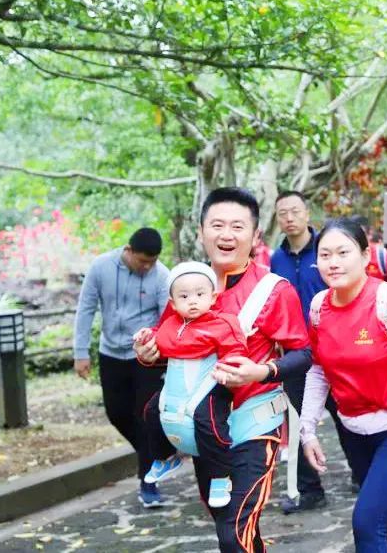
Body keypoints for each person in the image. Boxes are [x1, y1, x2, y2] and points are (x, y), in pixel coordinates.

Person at [135, 187, 311, 552]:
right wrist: (148, 353)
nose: (226, 235)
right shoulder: (185, 289)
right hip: (202, 429)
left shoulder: (274, 290)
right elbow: (172, 345)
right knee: (232, 530)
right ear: (201, 231)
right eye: (217, 225)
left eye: (237, 226)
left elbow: (304, 353)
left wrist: (261, 372)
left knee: (234, 532)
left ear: (255, 235)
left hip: (254, 424)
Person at [300, 218, 387, 552]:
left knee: (367, 522)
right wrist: (307, 430)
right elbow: (318, 371)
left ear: (365, 256)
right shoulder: (318, 307)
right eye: (325, 255)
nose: (333, 262)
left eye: (343, 252)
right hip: (354, 432)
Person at [73, 227, 171, 507]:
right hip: (110, 353)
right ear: (128, 251)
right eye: (143, 261)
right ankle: (153, 453)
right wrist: (81, 352)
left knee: (145, 416)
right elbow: (86, 309)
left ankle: (148, 482)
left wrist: (165, 355)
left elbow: (166, 319)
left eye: (152, 262)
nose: (147, 267)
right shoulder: (100, 267)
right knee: (116, 412)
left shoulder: (161, 276)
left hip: (146, 356)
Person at [137, 263, 246, 508]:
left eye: (200, 294)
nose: (193, 301)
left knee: (209, 423)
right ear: (173, 303)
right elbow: (157, 341)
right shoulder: (172, 324)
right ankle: (164, 458)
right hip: (178, 386)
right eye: (184, 297)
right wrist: (145, 338)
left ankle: (221, 477)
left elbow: (235, 348)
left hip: (211, 384)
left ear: (213, 297)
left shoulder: (222, 323)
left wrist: (228, 368)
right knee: (152, 411)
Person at [269, 190, 331, 513]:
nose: (290, 218)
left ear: (307, 213)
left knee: (348, 415)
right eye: (283, 213)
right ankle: (309, 490)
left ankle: (365, 475)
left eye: (295, 211)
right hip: (295, 353)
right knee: (296, 421)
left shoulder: (326, 250)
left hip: (333, 349)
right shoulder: (275, 260)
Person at [354, 215, 387, 283]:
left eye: (360, 234)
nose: (357, 239)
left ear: (369, 234)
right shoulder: (345, 259)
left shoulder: (383, 258)